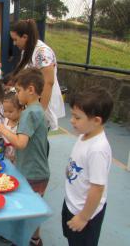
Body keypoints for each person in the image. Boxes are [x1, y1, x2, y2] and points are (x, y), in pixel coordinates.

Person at [0, 68, 49, 246]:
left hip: (33, 172)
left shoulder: (29, 113)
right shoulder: (36, 109)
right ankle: (29, 237)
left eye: (19, 90)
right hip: (33, 169)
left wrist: (2, 129)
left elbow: (21, 143)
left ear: (30, 89)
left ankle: (28, 239)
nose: (17, 94)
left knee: (29, 209)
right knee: (31, 207)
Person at [62, 87, 113, 246]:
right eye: (72, 115)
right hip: (72, 202)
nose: (72, 120)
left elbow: (97, 188)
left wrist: (84, 217)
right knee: (71, 239)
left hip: (86, 213)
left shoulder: (98, 149)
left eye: (77, 117)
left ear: (96, 121)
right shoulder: (85, 135)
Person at [10, 19, 65, 131]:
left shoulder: (41, 53)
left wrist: (39, 112)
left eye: (15, 39)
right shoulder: (27, 50)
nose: (14, 43)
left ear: (25, 37)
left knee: (36, 140)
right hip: (31, 101)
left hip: (40, 103)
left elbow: (48, 83)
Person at [1, 89, 24, 164]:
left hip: (17, 159)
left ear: (21, 109)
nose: (7, 114)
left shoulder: (22, 124)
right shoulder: (6, 120)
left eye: (10, 111)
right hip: (5, 155)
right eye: (5, 111)